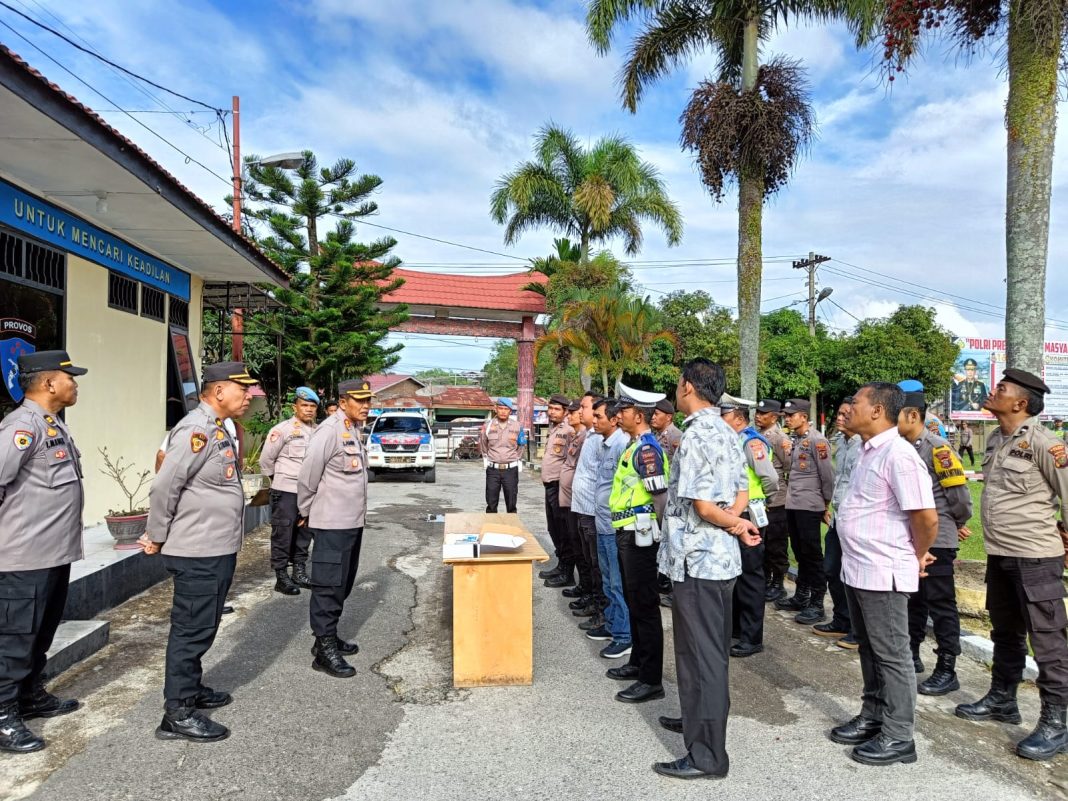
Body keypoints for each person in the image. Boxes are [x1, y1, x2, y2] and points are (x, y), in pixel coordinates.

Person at [955, 368, 1068, 761]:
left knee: (1048, 641)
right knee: (1005, 630)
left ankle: (1056, 722)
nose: (992, 391)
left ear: (1020, 403)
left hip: (1036, 557)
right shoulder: (998, 441)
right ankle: (1003, 698)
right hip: (1001, 553)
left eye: (1000, 388)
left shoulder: (1045, 443)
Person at [141, 360, 257, 743]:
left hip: (215, 547)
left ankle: (191, 689)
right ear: (219, 391)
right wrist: (156, 534)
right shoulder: (195, 430)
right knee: (191, 631)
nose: (249, 396)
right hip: (197, 550)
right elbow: (164, 487)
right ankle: (177, 713)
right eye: (243, 390)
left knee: (204, 626)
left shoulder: (217, 429)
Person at [655, 358, 758, 780]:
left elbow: (701, 505)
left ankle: (706, 756)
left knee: (701, 658)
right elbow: (742, 489)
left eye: (678, 384)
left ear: (688, 388)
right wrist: (737, 521)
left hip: (697, 561)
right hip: (718, 558)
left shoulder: (698, 434)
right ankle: (698, 721)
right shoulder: (727, 429)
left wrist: (733, 522)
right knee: (708, 653)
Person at [831, 382, 938, 766]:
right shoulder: (865, 450)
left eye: (856, 402)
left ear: (877, 410)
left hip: (882, 570)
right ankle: (873, 714)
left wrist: (917, 554)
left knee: (892, 655)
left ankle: (898, 735)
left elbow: (926, 517)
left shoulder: (899, 455)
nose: (849, 408)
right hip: (858, 567)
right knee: (870, 649)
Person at [0, 350, 87, 754]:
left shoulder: (51, 423)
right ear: (50, 383)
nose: (75, 384)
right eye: (70, 378)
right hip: (24, 556)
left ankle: (31, 695)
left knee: (39, 634)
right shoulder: (21, 425)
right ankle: (3, 716)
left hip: (53, 553)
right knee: (14, 639)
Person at [897, 390, 973, 694]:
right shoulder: (902, 447)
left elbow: (959, 497)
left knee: (940, 603)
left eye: (896, 414)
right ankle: (911, 654)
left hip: (937, 536)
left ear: (913, 415)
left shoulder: (937, 448)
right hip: (912, 536)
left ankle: (946, 667)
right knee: (913, 599)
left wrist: (958, 523)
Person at [297, 379, 374, 679]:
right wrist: (305, 511)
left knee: (343, 583)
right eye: (359, 401)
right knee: (328, 586)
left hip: (352, 522)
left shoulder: (353, 430)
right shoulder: (328, 431)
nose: (366, 406)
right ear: (343, 403)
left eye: (368, 401)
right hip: (331, 524)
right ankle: (323, 649)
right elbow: (307, 477)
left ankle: (328, 636)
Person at [608, 383, 670, 703]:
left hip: (641, 535)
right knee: (634, 602)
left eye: (623, 410)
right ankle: (638, 662)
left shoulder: (647, 449)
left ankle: (651, 679)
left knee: (645, 606)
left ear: (637, 414)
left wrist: (663, 540)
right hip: (628, 532)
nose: (617, 415)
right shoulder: (635, 446)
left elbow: (661, 497)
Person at [719, 403, 778, 657]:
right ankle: (737, 629)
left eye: (726, 416)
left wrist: (765, 502)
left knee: (751, 577)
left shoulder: (751, 443)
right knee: (735, 573)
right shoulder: (732, 440)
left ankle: (752, 637)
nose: (721, 420)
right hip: (734, 514)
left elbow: (770, 479)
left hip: (750, 514)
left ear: (739, 418)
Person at [776, 398, 834, 623]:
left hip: (810, 505)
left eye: (791, 415)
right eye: (786, 416)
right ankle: (802, 595)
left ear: (803, 416)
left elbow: (827, 476)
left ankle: (817, 602)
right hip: (793, 503)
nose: (788, 419)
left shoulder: (817, 441)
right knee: (800, 553)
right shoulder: (796, 440)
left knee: (812, 555)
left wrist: (825, 503)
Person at [583, 398, 633, 660]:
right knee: (607, 579)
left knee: (616, 582)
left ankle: (624, 635)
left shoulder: (622, 445)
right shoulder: (606, 444)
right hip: (602, 522)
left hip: (615, 526)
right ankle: (613, 625)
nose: (595, 420)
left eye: (599, 416)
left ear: (614, 419)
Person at [260, 386, 320, 595]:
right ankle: (281, 576)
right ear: (295, 407)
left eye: (313, 406)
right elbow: (266, 460)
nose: (309, 410)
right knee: (283, 533)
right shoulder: (282, 430)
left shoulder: (319, 432)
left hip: (310, 492)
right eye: (304, 405)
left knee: (305, 534)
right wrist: (279, 482)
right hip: (286, 490)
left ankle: (299, 572)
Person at [814, 399, 862, 648]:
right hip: (837, 517)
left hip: (855, 520)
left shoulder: (864, 445)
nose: (840, 418)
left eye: (846, 414)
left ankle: (858, 629)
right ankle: (841, 620)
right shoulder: (841, 444)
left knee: (853, 576)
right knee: (831, 569)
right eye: (839, 414)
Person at [569, 393, 608, 633]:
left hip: (594, 511)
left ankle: (603, 611)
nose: (581, 411)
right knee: (588, 560)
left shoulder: (603, 439)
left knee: (597, 564)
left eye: (584, 407)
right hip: (583, 508)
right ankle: (594, 601)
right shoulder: (591, 436)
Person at [559, 399, 595, 615]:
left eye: (583, 408)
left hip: (588, 506)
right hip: (577, 501)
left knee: (589, 556)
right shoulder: (585, 436)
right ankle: (586, 588)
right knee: (579, 546)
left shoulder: (593, 438)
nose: (577, 413)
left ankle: (592, 595)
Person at [755, 399, 791, 602]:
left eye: (764, 413)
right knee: (764, 543)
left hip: (777, 500)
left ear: (774, 417)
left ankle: (778, 582)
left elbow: (788, 467)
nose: (759, 416)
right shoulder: (757, 436)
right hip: (761, 500)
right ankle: (767, 579)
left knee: (776, 544)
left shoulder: (779, 438)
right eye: (758, 412)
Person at [541, 395, 577, 588]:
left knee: (563, 529)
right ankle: (561, 564)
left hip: (559, 486)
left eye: (556, 409)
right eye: (550, 408)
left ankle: (567, 571)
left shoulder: (569, 430)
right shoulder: (554, 428)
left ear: (565, 411)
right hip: (549, 485)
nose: (551, 412)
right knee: (553, 528)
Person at [479, 398, 526, 515]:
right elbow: (483, 444)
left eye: (506, 409)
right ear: (496, 409)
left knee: (511, 503)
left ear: (510, 411)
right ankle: (491, 528)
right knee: (491, 503)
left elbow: (521, 445)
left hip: (511, 470)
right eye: (501, 408)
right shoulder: (488, 426)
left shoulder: (517, 426)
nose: (503, 412)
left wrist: (514, 458)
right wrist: (490, 457)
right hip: (493, 470)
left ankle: (511, 530)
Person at [651, 398, 682, 463]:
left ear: (668, 417)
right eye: (652, 414)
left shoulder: (675, 436)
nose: (652, 417)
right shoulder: (656, 434)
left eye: (656, 414)